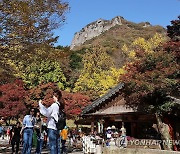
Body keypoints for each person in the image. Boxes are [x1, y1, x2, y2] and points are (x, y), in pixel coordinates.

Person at [39, 90, 64, 154]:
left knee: (52, 146)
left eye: (53, 96)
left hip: (52, 127)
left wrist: (40, 105)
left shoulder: (54, 105)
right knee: (57, 145)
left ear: (56, 96)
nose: (52, 97)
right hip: (57, 127)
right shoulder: (60, 105)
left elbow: (46, 113)